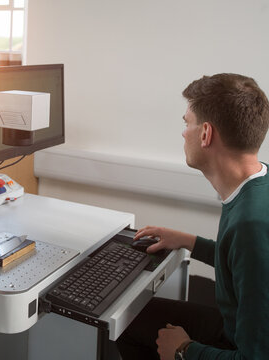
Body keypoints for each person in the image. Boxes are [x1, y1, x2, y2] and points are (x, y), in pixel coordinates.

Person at [116, 73, 269, 360]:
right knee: (133, 319)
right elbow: (241, 263)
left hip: (238, 345)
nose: (183, 132)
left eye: (187, 123)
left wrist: (185, 350)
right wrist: (188, 240)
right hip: (237, 327)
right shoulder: (258, 182)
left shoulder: (252, 224)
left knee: (131, 327)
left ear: (205, 134)